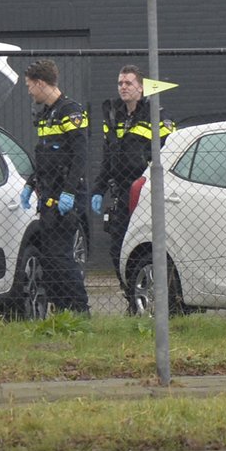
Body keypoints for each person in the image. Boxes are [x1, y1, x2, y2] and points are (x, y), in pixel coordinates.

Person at [90, 64, 172, 300]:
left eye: (128, 83)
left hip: (145, 191)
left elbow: (168, 154)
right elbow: (108, 157)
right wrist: (98, 188)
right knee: (117, 247)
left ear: (141, 87)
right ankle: (131, 297)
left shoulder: (157, 116)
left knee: (145, 245)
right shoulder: (113, 115)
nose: (123, 87)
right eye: (120, 83)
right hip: (120, 192)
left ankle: (157, 298)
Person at [19, 59, 90, 315]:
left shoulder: (70, 111)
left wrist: (69, 192)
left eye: (29, 86)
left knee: (61, 257)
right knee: (50, 258)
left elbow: (80, 156)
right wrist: (30, 184)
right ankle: (61, 311)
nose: (28, 91)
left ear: (40, 83)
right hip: (48, 196)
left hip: (66, 196)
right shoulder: (47, 114)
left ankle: (81, 310)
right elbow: (44, 156)